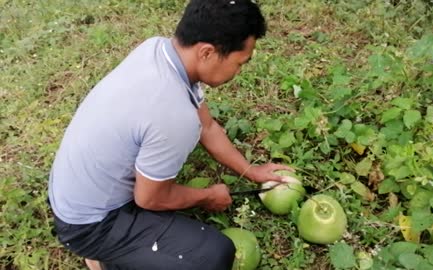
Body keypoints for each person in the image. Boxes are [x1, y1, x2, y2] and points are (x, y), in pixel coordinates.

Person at [47, 0, 292, 269]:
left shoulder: (157, 50)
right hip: (88, 225)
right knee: (215, 255)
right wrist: (208, 196)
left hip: (72, 188)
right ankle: (108, 259)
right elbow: (150, 199)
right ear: (207, 53)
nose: (239, 71)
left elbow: (207, 127)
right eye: (239, 63)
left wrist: (250, 170)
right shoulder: (173, 114)